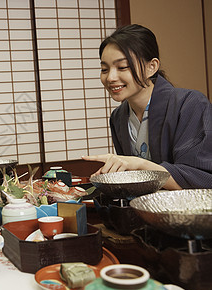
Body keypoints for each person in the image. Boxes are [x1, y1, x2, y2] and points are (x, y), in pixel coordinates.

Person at [82, 24, 212, 189]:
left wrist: (138, 164)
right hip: (143, 209)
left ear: (152, 66)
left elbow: (200, 179)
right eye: (104, 69)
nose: (111, 77)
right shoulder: (119, 117)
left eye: (122, 67)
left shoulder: (190, 104)